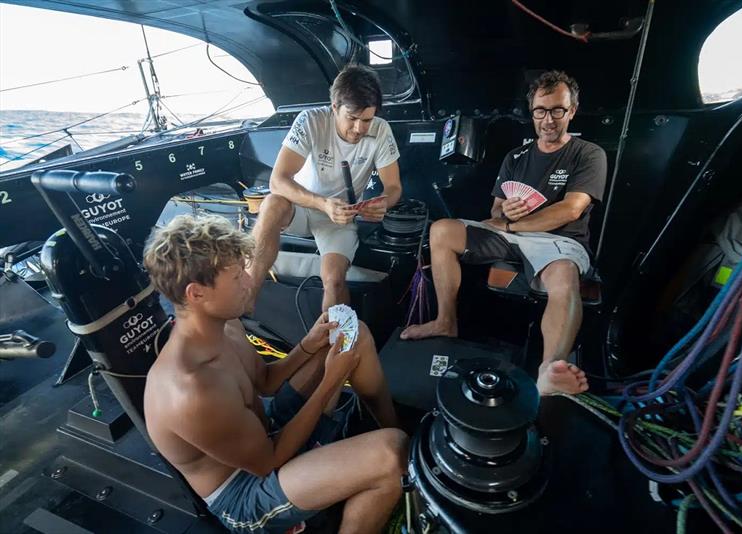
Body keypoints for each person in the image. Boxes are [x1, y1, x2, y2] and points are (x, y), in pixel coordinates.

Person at [142, 214, 407, 534]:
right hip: (245, 491)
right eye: (238, 276)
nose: (249, 283)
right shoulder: (190, 390)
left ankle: (405, 453)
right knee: (391, 454)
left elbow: (265, 382)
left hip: (263, 435)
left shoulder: (228, 326)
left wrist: (309, 346)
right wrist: (331, 380)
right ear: (196, 293)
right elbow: (269, 460)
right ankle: (391, 473)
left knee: (356, 335)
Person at [400, 71, 607, 396]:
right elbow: (496, 211)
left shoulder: (588, 153)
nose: (548, 120)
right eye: (541, 111)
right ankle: (445, 321)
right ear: (532, 112)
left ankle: (551, 368)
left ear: (572, 110)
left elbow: (571, 210)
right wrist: (504, 214)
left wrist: (512, 224)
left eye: (557, 110)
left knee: (564, 276)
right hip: (510, 234)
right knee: (441, 230)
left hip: (560, 241)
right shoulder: (516, 157)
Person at [248, 64, 402, 312]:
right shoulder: (310, 120)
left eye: (367, 120)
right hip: (301, 207)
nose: (359, 129)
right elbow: (278, 180)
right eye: (352, 118)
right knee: (272, 203)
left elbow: (393, 186)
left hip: (340, 218)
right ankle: (246, 297)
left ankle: (336, 345)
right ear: (334, 108)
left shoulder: (381, 130)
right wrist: (322, 203)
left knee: (334, 280)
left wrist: (383, 201)